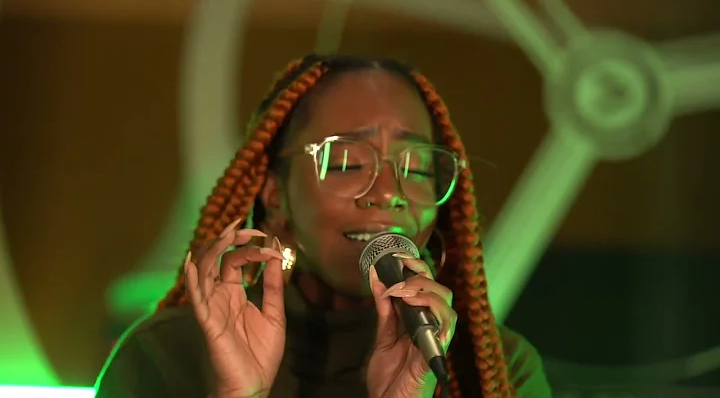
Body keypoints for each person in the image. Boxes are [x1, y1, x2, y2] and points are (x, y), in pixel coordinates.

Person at [94, 54, 552, 398]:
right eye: (348, 162)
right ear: (276, 195)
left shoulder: (499, 370)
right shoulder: (165, 354)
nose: (388, 190)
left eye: (417, 170)